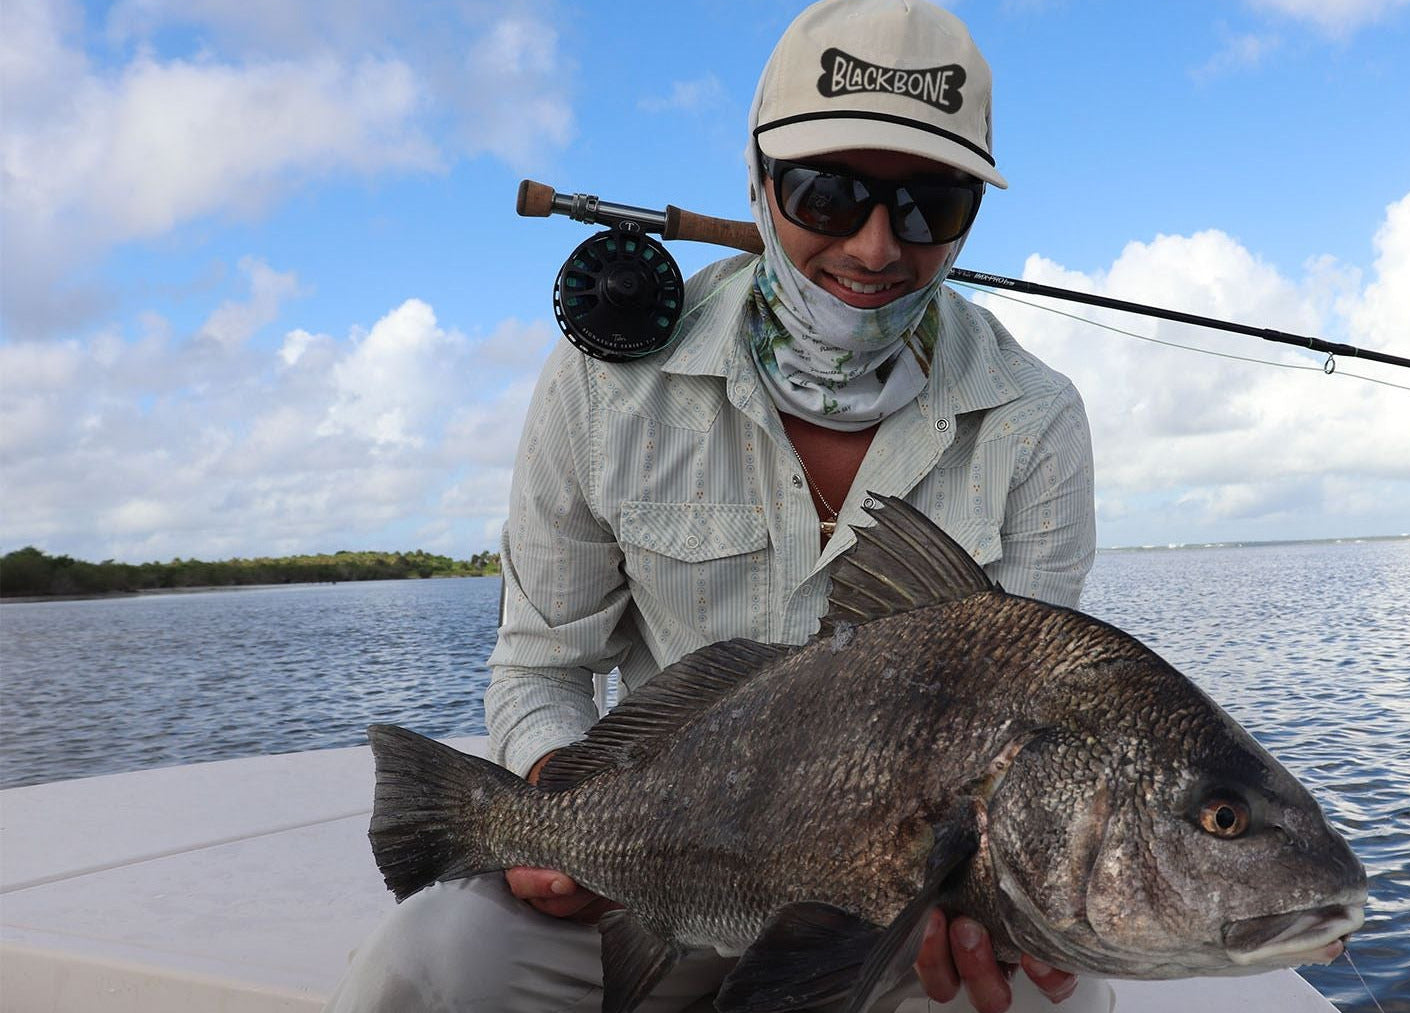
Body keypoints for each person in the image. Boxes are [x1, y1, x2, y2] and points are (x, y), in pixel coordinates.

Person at [326, 1, 1100, 1009]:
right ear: (758, 177)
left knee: (1051, 996)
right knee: (433, 955)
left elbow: (1033, 726)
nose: (875, 247)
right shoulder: (605, 387)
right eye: (827, 194)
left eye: (929, 206)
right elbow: (541, 666)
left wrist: (983, 899)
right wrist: (562, 820)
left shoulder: (1034, 418)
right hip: (654, 886)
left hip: (889, 915)